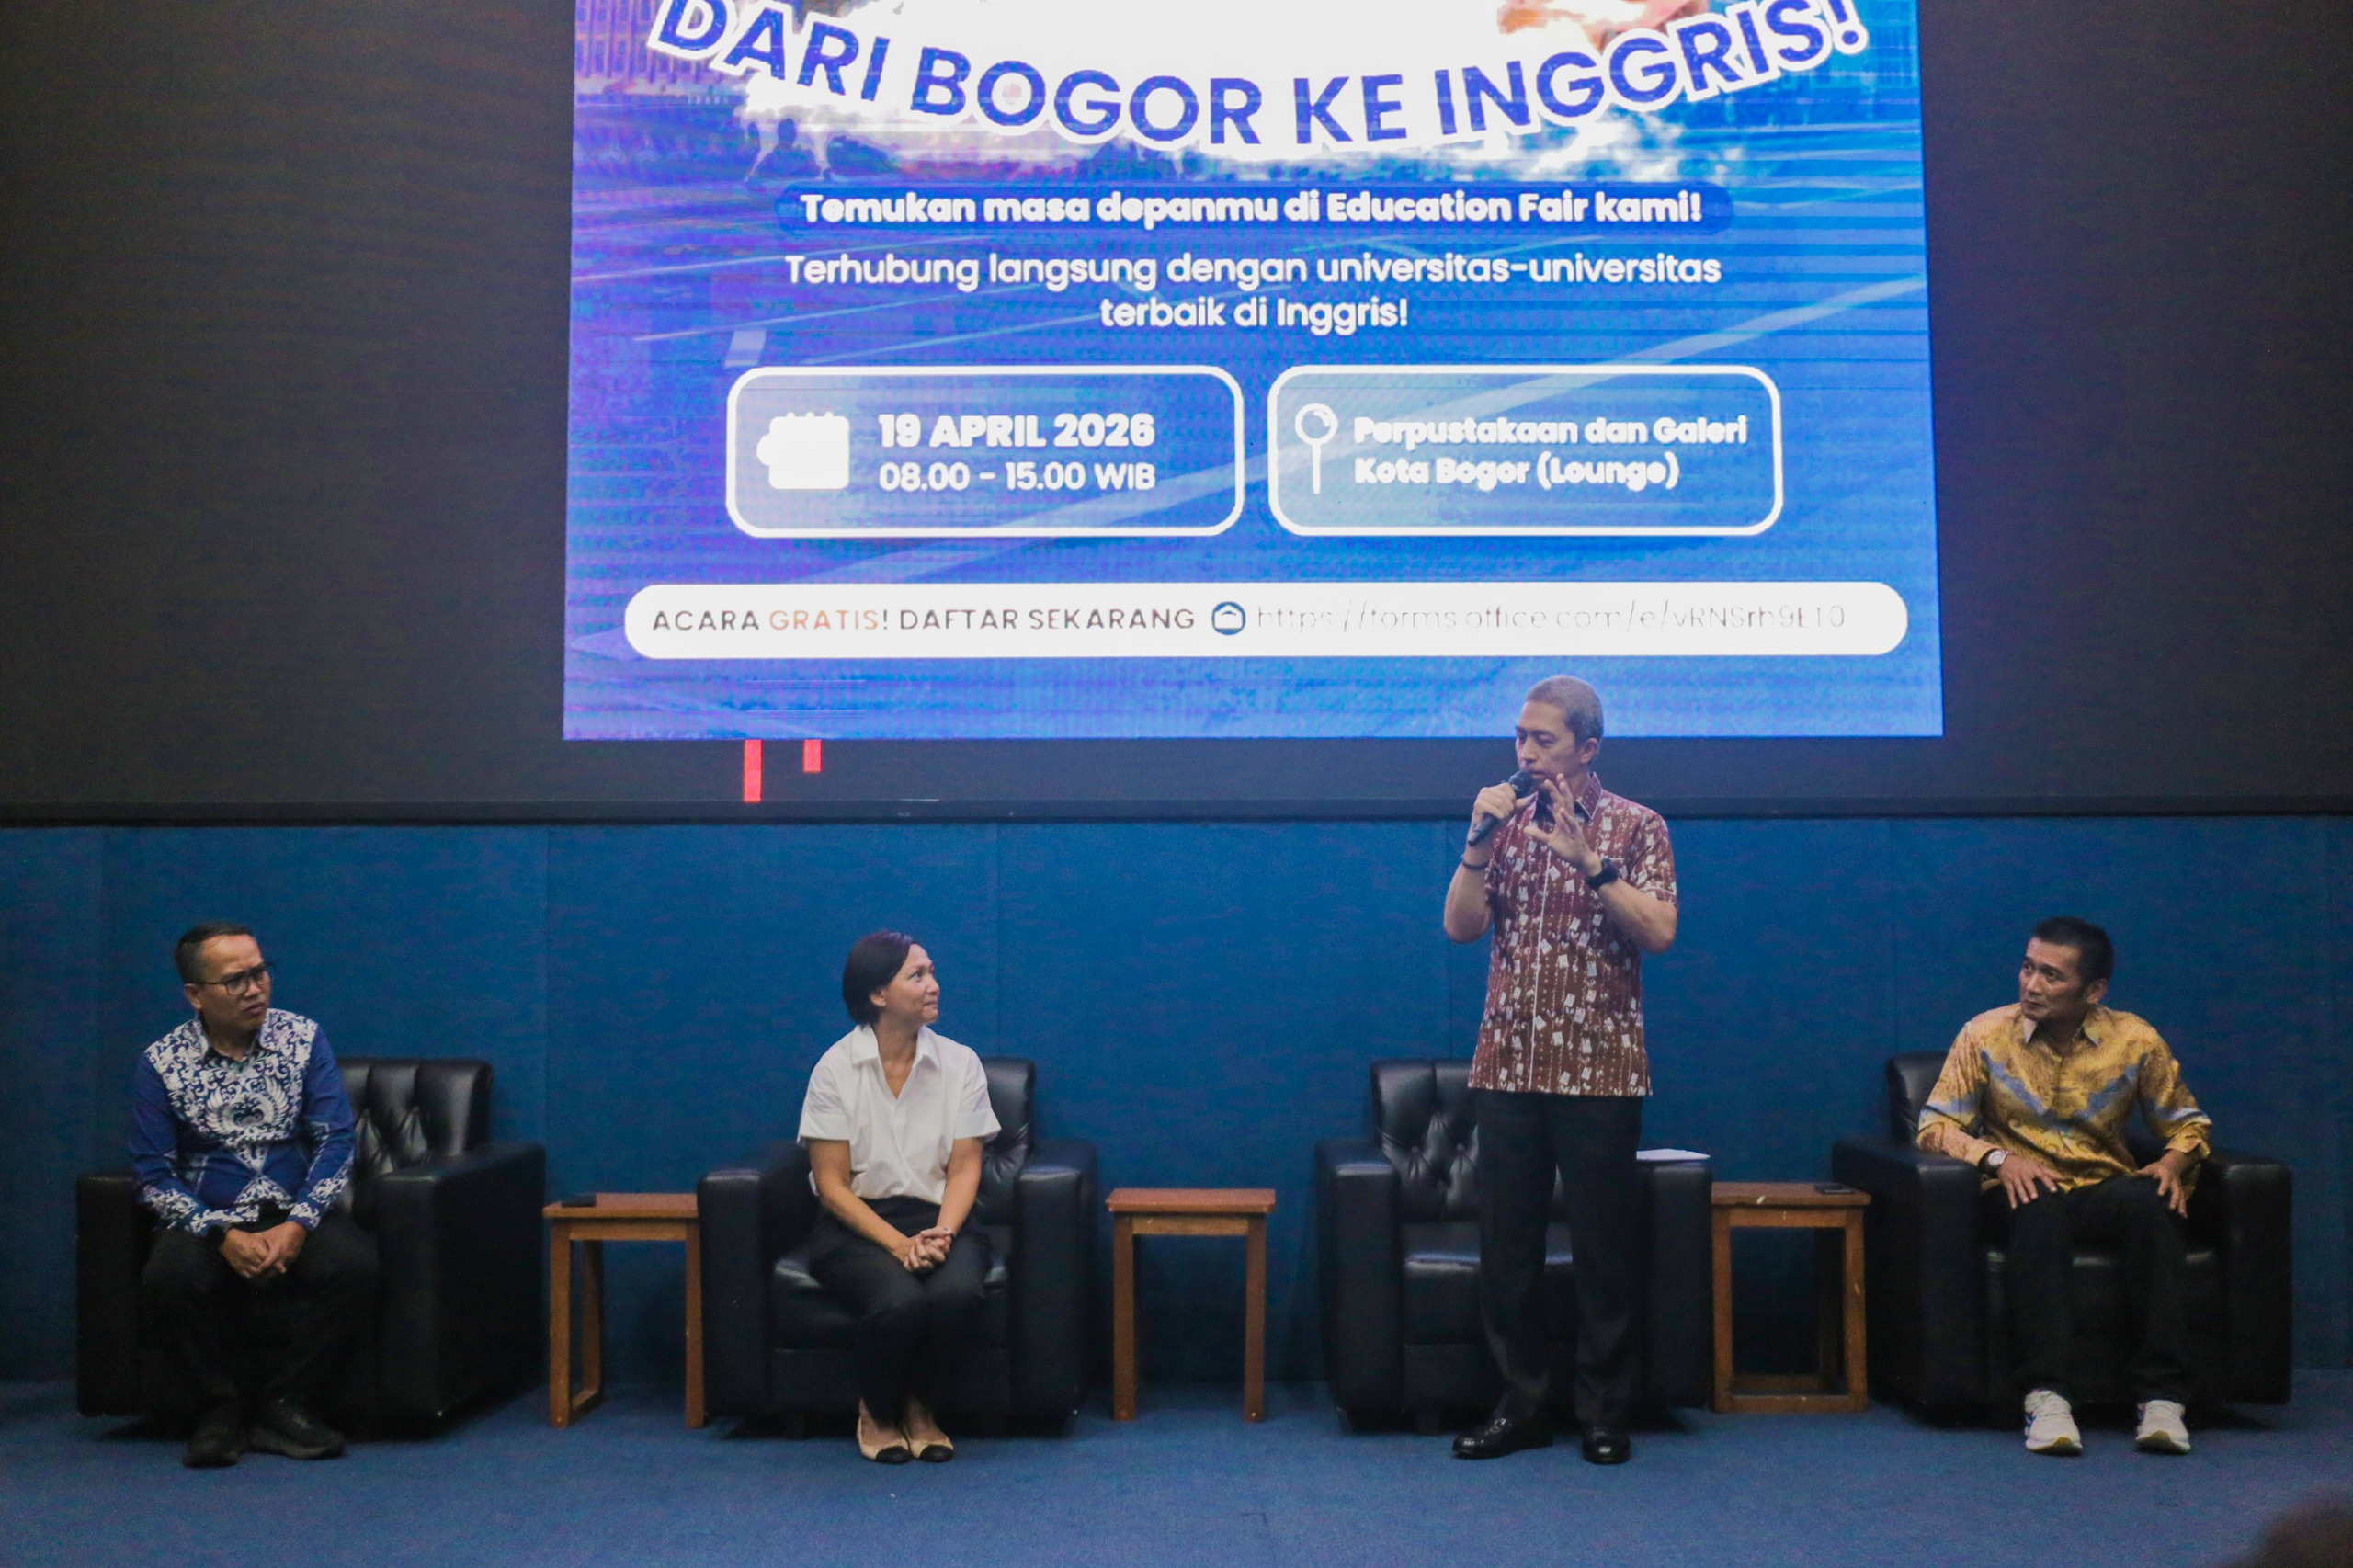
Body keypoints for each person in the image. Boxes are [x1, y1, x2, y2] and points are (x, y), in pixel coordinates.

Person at [1442, 676, 1678, 1463]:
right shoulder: (1503, 824)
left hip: (1600, 1069)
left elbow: (1660, 933)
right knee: (1507, 1251)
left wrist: (1591, 862)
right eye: (1520, 737)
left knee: (1605, 1251)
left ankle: (1603, 1413)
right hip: (1509, 1062)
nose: (1526, 752)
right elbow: (1460, 928)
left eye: (1543, 740)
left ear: (1587, 747)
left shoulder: (1638, 826)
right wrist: (1477, 844)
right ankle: (1521, 1407)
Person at [1916, 916, 2211, 1457]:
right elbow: (1935, 1127)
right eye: (2027, 968)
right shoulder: (1984, 1034)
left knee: (2151, 1201)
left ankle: (2162, 1397)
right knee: (2038, 1201)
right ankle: (2047, 1396)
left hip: (2102, 1186)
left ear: (2093, 991)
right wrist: (1999, 1159)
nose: (2031, 985)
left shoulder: (2134, 1039)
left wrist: (2173, 1162)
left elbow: (2187, 1124)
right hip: (2016, 1190)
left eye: (2051, 976)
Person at [131, 923, 373, 1468]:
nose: (255, 989)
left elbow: (335, 1139)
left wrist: (299, 1223)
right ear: (196, 994)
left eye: (260, 972)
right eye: (235, 980)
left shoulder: (302, 1038)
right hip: (207, 1217)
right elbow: (152, 1173)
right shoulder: (161, 1062)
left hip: (292, 1210)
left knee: (354, 1267)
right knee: (168, 1279)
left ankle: (284, 1404)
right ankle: (219, 1409)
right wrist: (219, 1234)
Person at [799, 932, 1000, 1463]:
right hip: (857, 1224)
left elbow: (965, 1168)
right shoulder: (834, 1069)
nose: (934, 985)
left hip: (942, 1218)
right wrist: (898, 1245)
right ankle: (877, 1411)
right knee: (899, 1302)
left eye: (932, 971)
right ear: (878, 994)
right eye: (917, 975)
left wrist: (943, 1234)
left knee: (957, 1295)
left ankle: (919, 1408)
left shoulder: (961, 1063)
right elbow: (832, 1186)